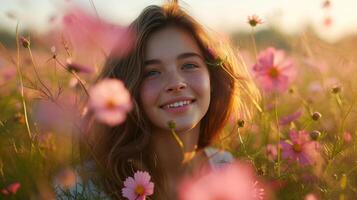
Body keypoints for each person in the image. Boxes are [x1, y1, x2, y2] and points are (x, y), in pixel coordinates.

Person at [57, 1, 260, 199]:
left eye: (189, 65)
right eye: (152, 72)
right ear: (126, 89)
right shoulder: (83, 188)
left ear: (212, 78)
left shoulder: (226, 170)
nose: (176, 83)